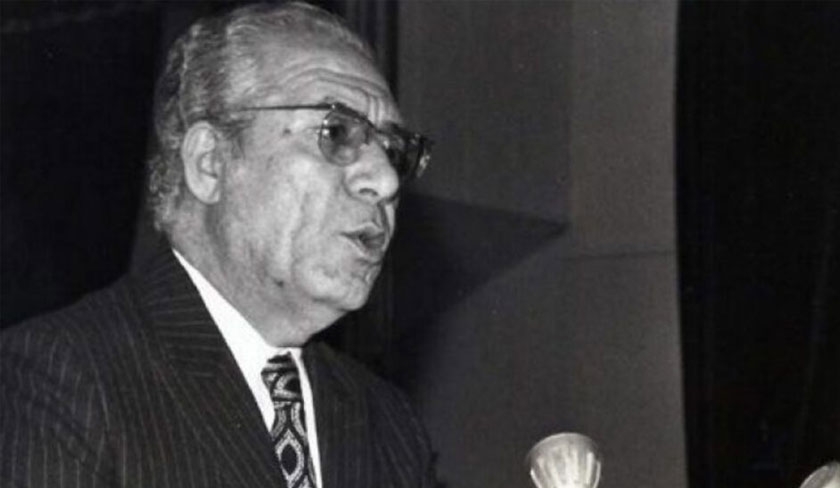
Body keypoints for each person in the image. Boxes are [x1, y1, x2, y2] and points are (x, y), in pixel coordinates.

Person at [0, 2, 436, 488]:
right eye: (335, 132)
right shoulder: (59, 377)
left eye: (393, 150)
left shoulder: (391, 426)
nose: (385, 179)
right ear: (210, 163)